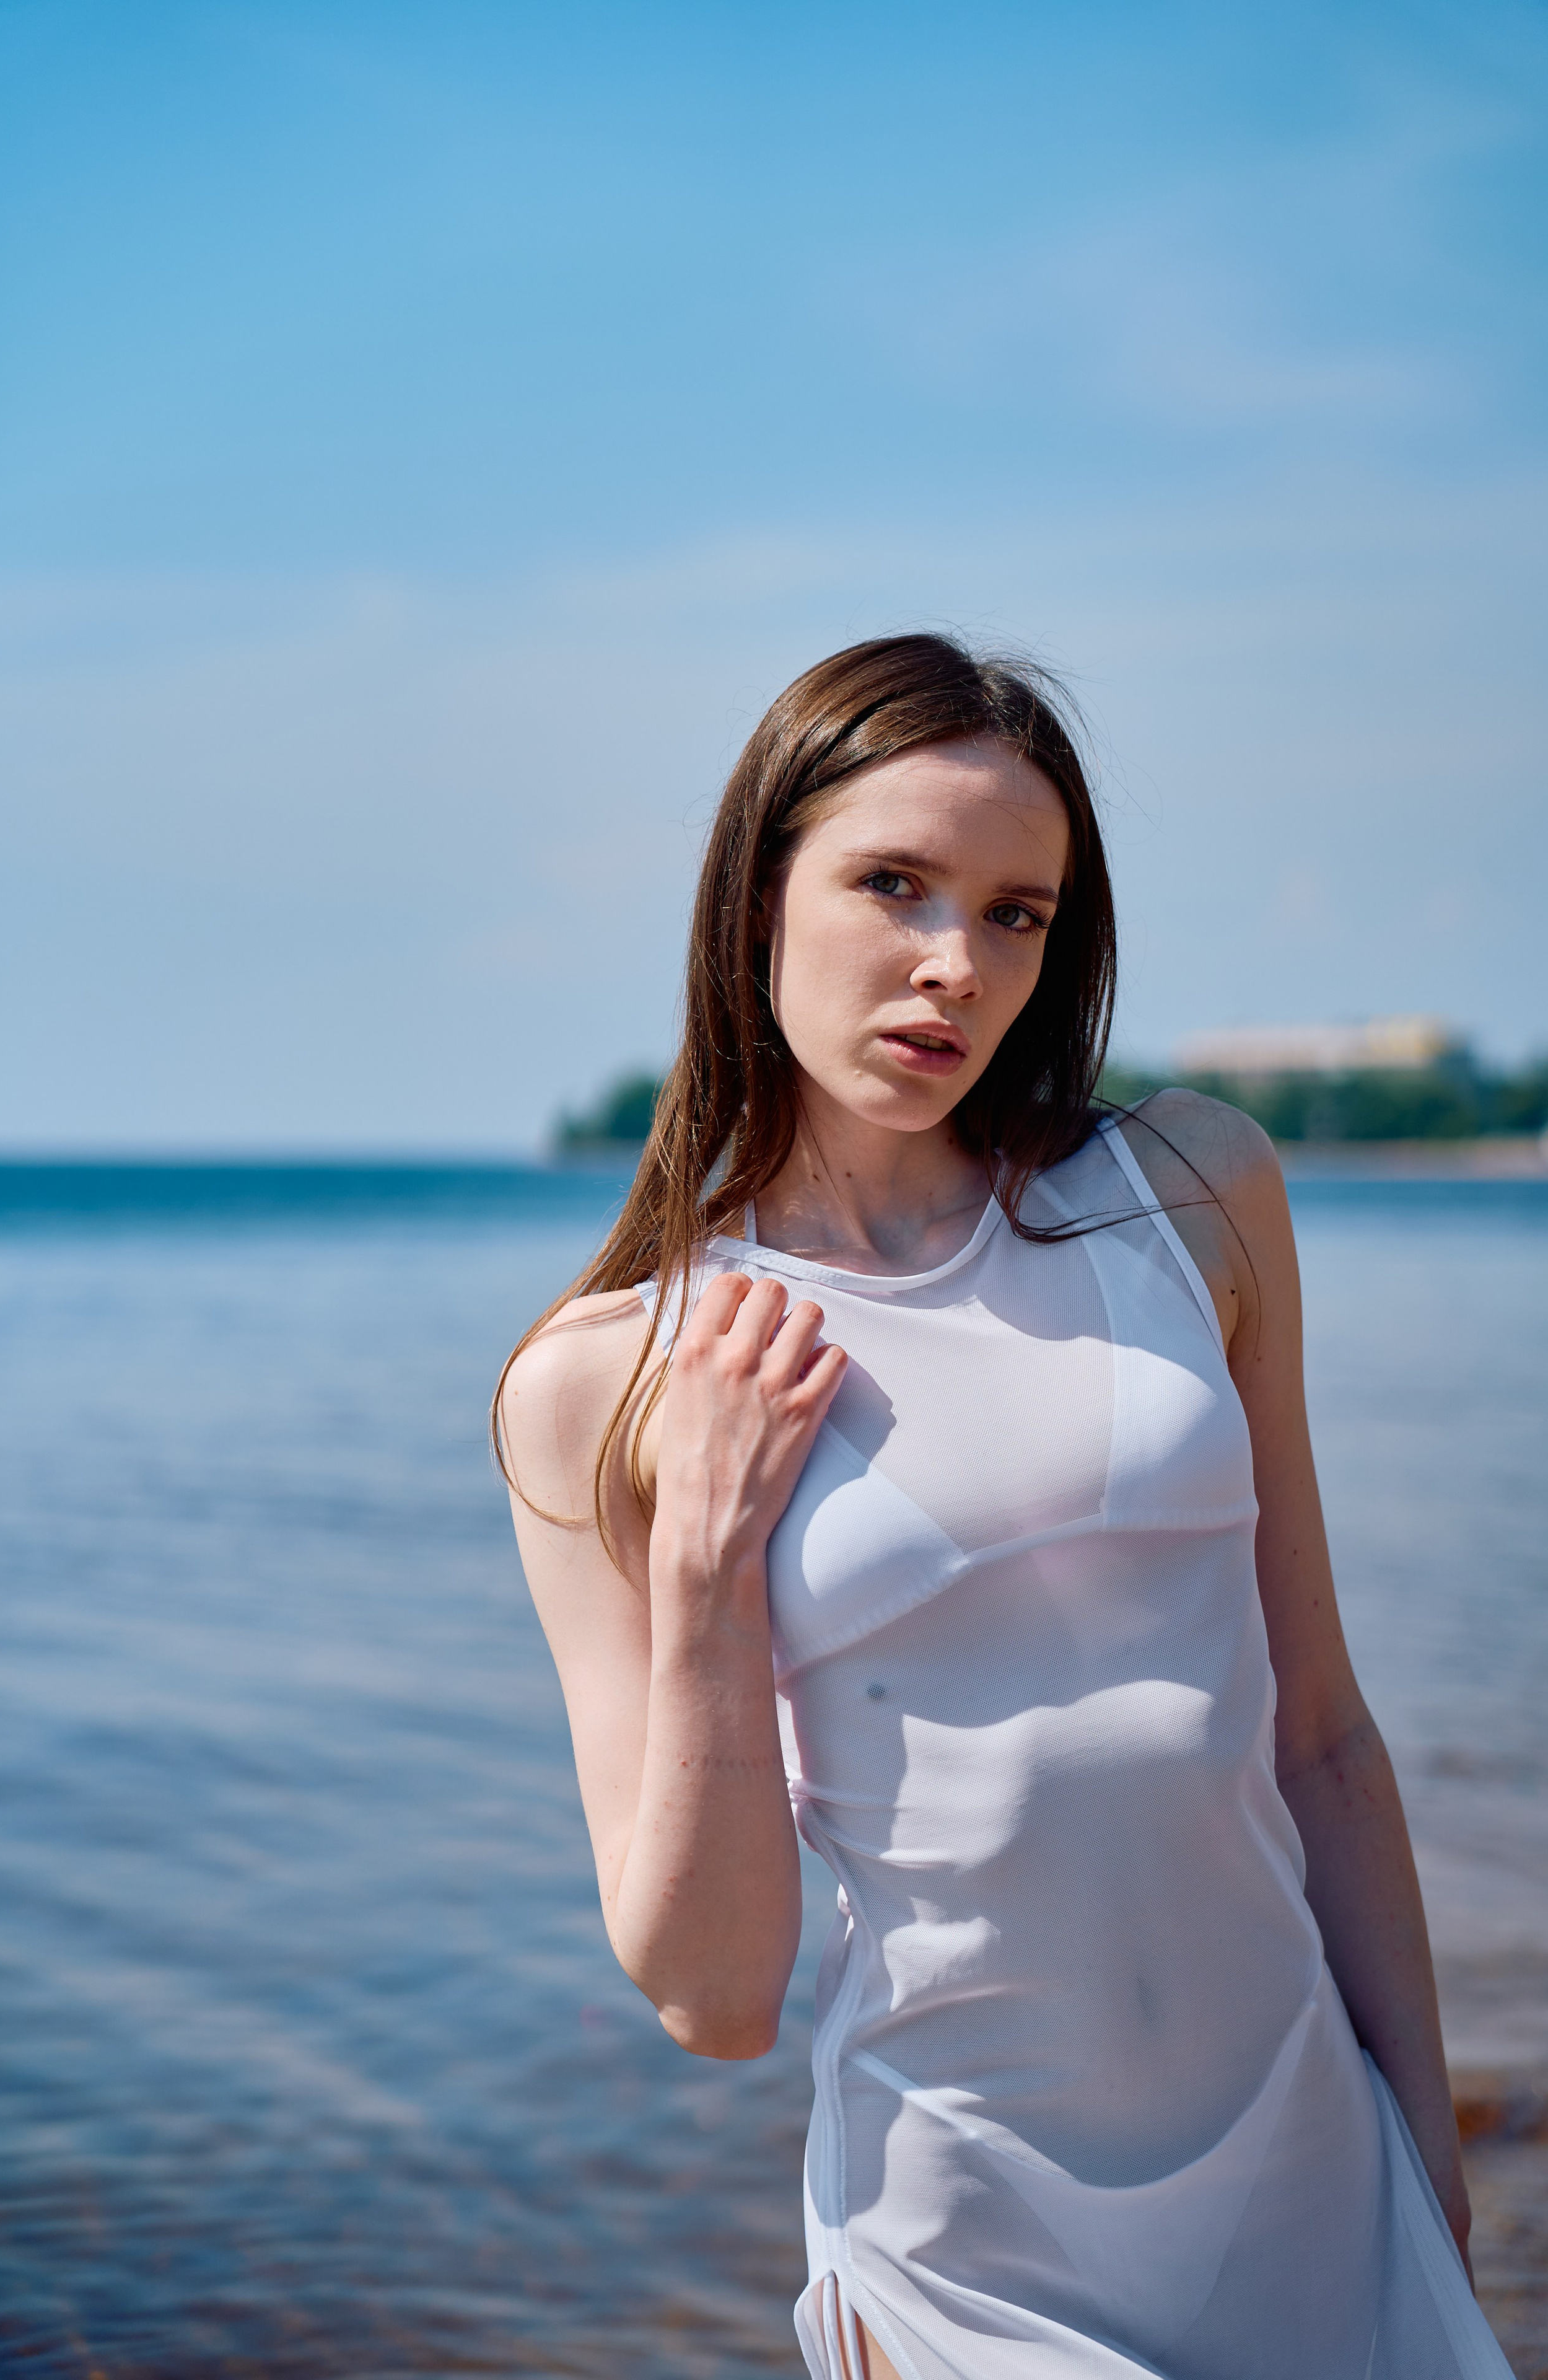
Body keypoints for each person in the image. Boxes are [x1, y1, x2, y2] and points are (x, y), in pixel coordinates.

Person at [494, 635, 1508, 2379]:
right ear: (757, 894)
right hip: (967, 2248)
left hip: (1314, 2171)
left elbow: (1323, 1738)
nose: (954, 965)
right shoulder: (609, 1381)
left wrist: (1424, 2145)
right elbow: (716, 1997)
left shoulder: (1190, 1194)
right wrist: (715, 1558)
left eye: (1015, 913)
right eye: (893, 884)